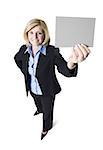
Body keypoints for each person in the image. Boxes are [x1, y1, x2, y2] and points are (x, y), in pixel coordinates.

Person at [14, 18, 90, 140]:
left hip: (47, 91)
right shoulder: (24, 49)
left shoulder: (51, 52)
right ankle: (39, 110)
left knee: (48, 111)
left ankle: (46, 128)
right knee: (37, 102)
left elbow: (64, 69)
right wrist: (26, 72)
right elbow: (17, 59)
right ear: (27, 34)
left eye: (39, 33)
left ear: (45, 34)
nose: (35, 37)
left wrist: (72, 63)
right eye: (31, 33)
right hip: (32, 88)